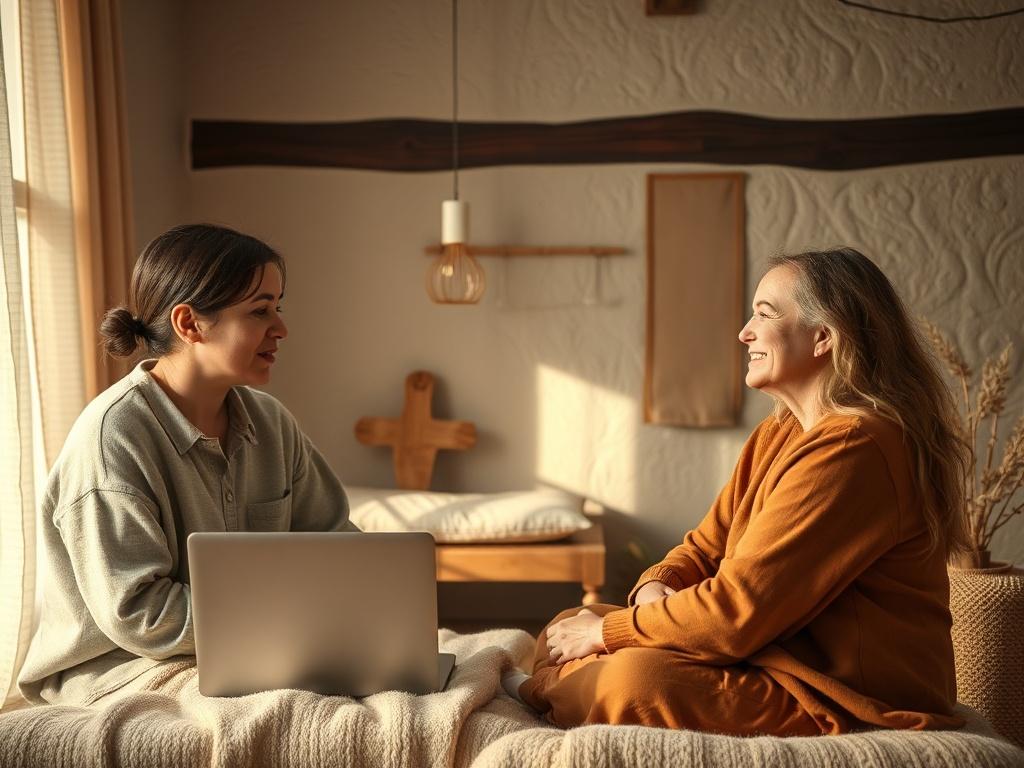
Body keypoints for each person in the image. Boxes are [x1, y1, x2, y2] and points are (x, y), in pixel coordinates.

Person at [505, 248, 970, 736]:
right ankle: (565, 687)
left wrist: (609, 633)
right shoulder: (781, 431)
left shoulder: (857, 446)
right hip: (772, 656)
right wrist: (654, 587)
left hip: (844, 696)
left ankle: (540, 693)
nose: (744, 332)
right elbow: (704, 547)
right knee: (567, 623)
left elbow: (734, 614)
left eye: (764, 314)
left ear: (824, 338)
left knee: (630, 677)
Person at [18, 223, 358, 707]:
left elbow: (335, 542)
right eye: (260, 310)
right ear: (190, 324)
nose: (281, 328)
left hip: (251, 648)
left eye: (277, 308)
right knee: (298, 712)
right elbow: (139, 615)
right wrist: (289, 619)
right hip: (121, 670)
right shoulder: (112, 438)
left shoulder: (272, 423)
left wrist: (362, 615)